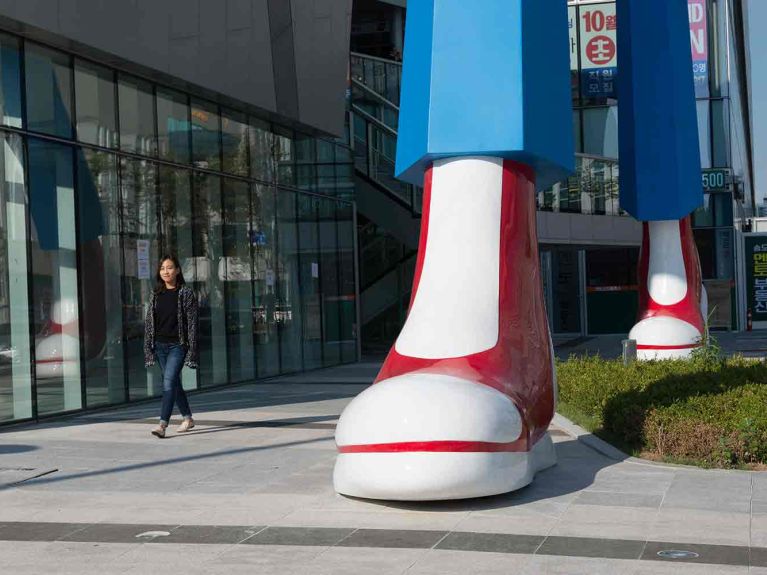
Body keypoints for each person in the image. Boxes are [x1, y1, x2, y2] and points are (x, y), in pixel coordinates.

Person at [144, 255, 199, 438]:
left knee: (168, 382)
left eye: (169, 268)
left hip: (178, 345)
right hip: (160, 346)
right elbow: (149, 323)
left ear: (177, 270)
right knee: (174, 383)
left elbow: (192, 324)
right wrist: (149, 348)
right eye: (162, 268)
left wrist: (191, 350)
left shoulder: (186, 294)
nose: (165, 271)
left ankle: (162, 424)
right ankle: (188, 418)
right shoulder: (155, 294)